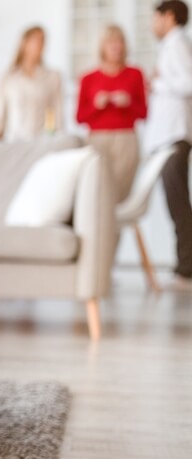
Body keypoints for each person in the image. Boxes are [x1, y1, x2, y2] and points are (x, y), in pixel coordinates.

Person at [145, 0, 192, 288]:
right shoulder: (172, 46)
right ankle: (184, 266)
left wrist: (158, 85)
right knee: (176, 204)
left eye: (155, 18)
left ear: (169, 17)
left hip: (174, 137)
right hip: (169, 137)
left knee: (178, 205)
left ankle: (186, 270)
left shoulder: (177, 45)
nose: (153, 25)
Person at [76, 25, 147, 203]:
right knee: (97, 192)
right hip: (97, 141)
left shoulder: (135, 74)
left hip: (126, 140)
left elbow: (144, 113)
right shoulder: (88, 78)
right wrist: (96, 106)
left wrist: (129, 103)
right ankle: (103, 231)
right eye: (111, 42)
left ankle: (116, 231)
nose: (117, 46)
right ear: (102, 47)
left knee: (121, 197)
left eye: (120, 41)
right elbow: (79, 117)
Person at [0, 25, 63, 142]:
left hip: (43, 142)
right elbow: (0, 116)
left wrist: (56, 139)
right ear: (24, 43)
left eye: (43, 40)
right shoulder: (8, 78)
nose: (40, 44)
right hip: (15, 142)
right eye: (36, 40)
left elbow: (57, 115)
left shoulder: (53, 77)